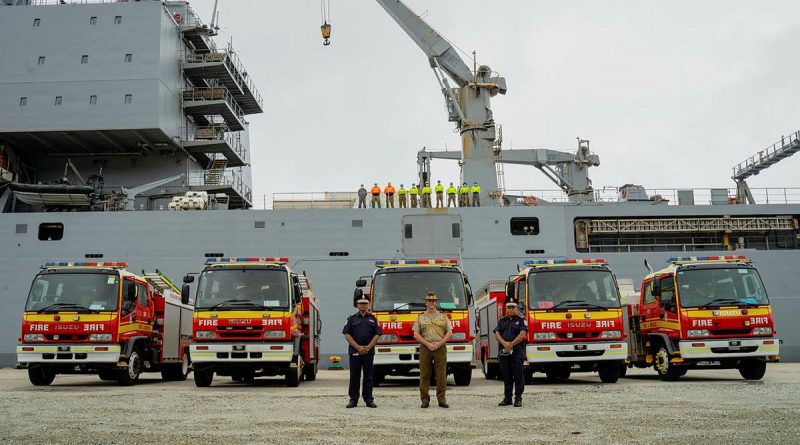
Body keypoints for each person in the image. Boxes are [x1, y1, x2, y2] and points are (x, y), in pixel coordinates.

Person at [413, 291, 453, 408]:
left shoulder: (443, 317)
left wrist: (439, 343)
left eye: (433, 301)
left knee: (441, 374)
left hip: (440, 348)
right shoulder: (420, 317)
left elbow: (449, 332)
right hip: (425, 347)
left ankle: (441, 399)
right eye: (429, 301)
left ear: (436, 302)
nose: (431, 303)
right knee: (424, 374)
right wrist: (427, 344)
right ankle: (425, 399)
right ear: (426, 303)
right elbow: (416, 334)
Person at [342, 295, 382, 408]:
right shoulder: (351, 319)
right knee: (354, 376)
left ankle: (369, 399)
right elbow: (347, 334)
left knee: (369, 376)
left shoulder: (373, 319)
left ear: (368, 304)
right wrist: (358, 348)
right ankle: (353, 400)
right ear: (357, 305)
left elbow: (377, 334)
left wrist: (368, 347)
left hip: (369, 352)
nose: (363, 305)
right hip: (355, 352)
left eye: (365, 303)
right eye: (361, 303)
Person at [494, 299, 528, 407]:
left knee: (518, 377)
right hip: (505, 354)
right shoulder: (502, 321)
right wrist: (504, 343)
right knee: (506, 377)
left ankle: (518, 398)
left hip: (517, 353)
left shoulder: (522, 320)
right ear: (506, 309)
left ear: (517, 308)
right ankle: (507, 398)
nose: (511, 309)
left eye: (513, 307)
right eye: (509, 307)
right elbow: (497, 334)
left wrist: (511, 344)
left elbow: (522, 334)